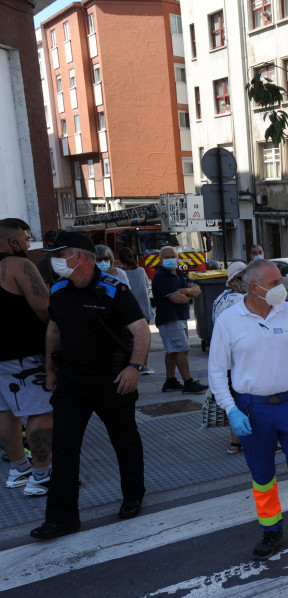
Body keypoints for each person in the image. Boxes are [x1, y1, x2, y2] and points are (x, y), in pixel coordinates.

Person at [208, 259, 288, 560]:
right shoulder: (230, 321)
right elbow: (216, 372)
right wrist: (231, 410)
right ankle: (271, 529)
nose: (283, 286)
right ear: (254, 287)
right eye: (276, 282)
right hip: (252, 408)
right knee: (262, 473)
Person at [31, 232, 151, 540]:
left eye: (60, 254)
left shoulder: (113, 289)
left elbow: (140, 330)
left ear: (80, 256)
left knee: (124, 439)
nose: (55, 261)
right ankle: (61, 518)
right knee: (64, 447)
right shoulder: (58, 288)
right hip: (72, 379)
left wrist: (134, 368)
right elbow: (54, 330)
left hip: (111, 378)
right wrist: (50, 369)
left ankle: (133, 495)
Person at [0, 218, 53, 497]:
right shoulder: (19, 265)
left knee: (5, 412)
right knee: (40, 410)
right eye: (25, 238)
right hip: (22, 355)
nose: (27, 244)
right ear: (12, 242)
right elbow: (45, 308)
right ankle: (41, 475)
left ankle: (19, 468)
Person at [151, 246, 208, 394]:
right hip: (170, 318)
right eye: (167, 257)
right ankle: (188, 382)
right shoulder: (161, 276)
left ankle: (170, 381)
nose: (170, 259)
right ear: (160, 259)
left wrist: (185, 291)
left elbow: (197, 290)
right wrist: (188, 294)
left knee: (173, 351)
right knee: (182, 349)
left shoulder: (179, 273)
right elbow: (176, 298)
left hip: (180, 317)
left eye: (173, 256)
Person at [212, 261, 247, 455]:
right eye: (243, 278)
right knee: (245, 398)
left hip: (225, 359)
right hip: (239, 359)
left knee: (233, 398)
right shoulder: (238, 300)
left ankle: (235, 442)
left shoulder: (219, 299)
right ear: (233, 281)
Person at [117, 247, 154, 375]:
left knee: (130, 341)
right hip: (144, 310)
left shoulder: (120, 273)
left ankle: (131, 364)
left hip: (128, 312)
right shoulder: (141, 270)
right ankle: (145, 365)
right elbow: (147, 287)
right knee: (144, 338)